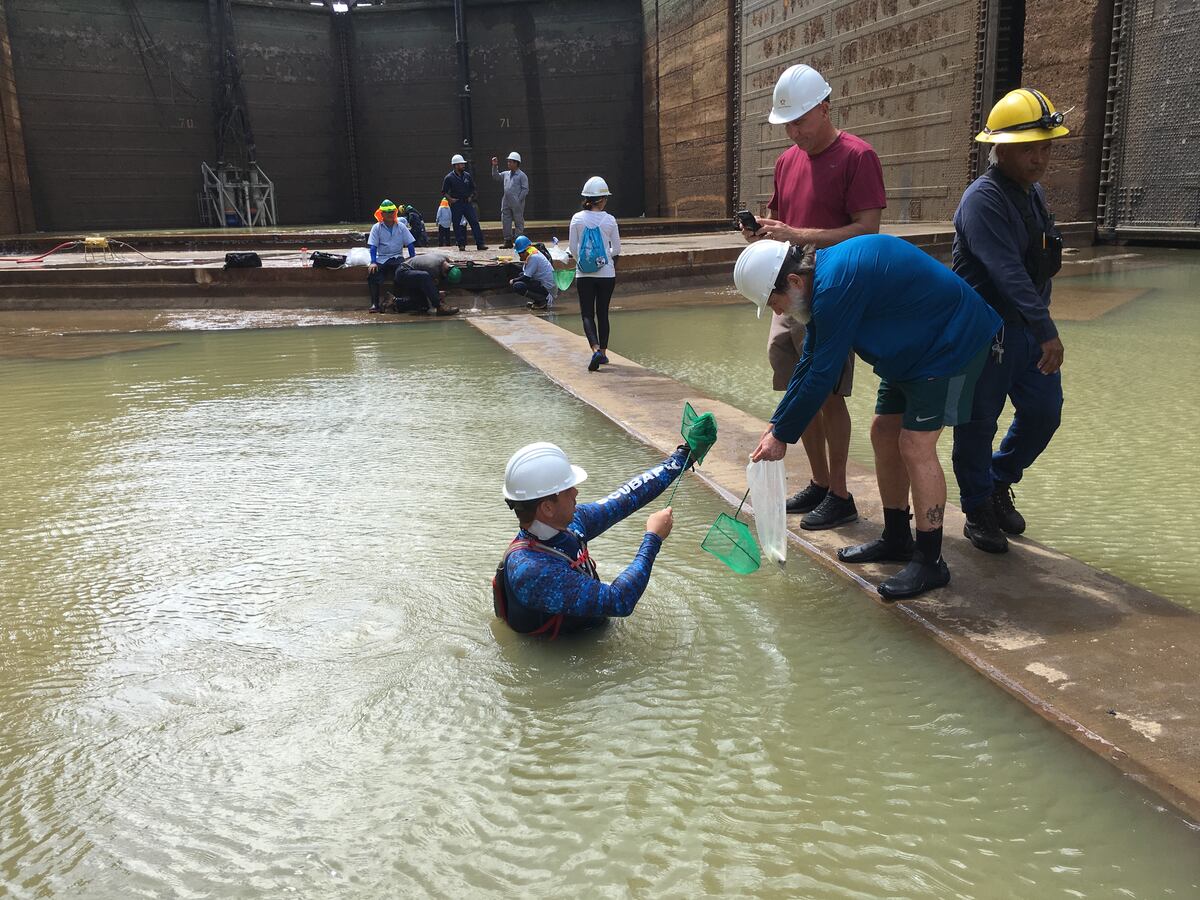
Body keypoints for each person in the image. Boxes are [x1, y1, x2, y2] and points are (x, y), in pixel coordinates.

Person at [737, 235, 1001, 601]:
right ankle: (897, 538)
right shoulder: (821, 282)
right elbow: (810, 359)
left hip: (949, 343)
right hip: (911, 348)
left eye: (774, 302)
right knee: (882, 432)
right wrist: (776, 422)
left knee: (915, 445)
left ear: (794, 281)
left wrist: (782, 436)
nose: (778, 313)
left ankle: (930, 561)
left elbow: (823, 374)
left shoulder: (835, 285)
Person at [741, 64, 886, 531]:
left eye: (800, 120)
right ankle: (821, 483)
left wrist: (798, 233)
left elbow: (868, 231)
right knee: (792, 382)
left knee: (827, 393)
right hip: (789, 292)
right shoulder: (787, 162)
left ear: (825, 106)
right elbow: (781, 224)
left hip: (834, 293)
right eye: (787, 123)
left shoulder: (857, 157)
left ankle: (841, 494)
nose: (794, 131)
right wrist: (760, 237)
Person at [951, 88, 1069, 555]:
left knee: (1044, 412)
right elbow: (1007, 272)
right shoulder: (984, 200)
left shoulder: (1032, 193)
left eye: (1046, 147)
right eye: (1030, 148)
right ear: (1000, 146)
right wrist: (1049, 331)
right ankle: (978, 507)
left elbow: (1039, 265)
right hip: (986, 333)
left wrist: (1039, 327)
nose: (1040, 158)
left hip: (1025, 331)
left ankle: (998, 480)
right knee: (978, 423)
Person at [495, 441, 689, 637]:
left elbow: (627, 498)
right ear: (547, 508)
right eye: (567, 489)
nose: (576, 492)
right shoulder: (531, 571)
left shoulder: (571, 523)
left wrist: (681, 458)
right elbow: (619, 601)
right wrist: (653, 538)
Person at [569, 176, 621, 372]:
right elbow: (616, 249)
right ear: (602, 199)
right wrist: (603, 257)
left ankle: (595, 349)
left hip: (584, 274)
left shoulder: (576, 218)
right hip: (607, 273)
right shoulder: (610, 220)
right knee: (603, 313)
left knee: (587, 315)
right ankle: (605, 354)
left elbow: (573, 248)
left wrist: (584, 262)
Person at [366, 199, 416, 313]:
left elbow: (410, 244)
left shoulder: (401, 227)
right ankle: (375, 304)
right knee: (372, 274)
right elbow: (373, 247)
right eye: (387, 212)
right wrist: (373, 262)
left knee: (402, 274)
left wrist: (413, 259)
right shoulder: (376, 228)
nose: (390, 214)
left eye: (392, 212)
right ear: (382, 214)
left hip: (397, 257)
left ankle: (397, 302)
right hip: (382, 258)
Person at [441, 154, 488, 252]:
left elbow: (473, 188)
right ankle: (461, 244)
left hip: (467, 203)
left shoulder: (467, 176)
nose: (463, 165)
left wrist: (471, 197)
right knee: (457, 224)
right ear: (456, 165)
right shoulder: (449, 178)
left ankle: (480, 243)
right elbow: (444, 191)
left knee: (474, 222)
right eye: (461, 164)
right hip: (457, 204)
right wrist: (450, 199)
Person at [393, 252, 459, 316]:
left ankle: (394, 302)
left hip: (413, 273)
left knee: (424, 305)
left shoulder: (443, 257)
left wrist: (436, 293)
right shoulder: (432, 268)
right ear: (445, 273)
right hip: (403, 272)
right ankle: (440, 306)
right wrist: (437, 295)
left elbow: (429, 288)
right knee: (425, 276)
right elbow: (429, 287)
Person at [491, 151, 529, 249]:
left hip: (517, 202)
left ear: (516, 163)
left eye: (511, 162)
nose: (509, 164)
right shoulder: (506, 174)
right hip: (506, 201)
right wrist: (495, 166)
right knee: (505, 220)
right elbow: (496, 177)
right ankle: (507, 240)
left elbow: (525, 189)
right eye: (508, 162)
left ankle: (518, 241)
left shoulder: (522, 175)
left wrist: (519, 199)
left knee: (518, 221)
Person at [509, 236, 556, 309]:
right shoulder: (534, 252)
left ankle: (542, 300)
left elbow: (526, 278)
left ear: (525, 251)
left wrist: (513, 280)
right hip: (545, 285)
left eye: (520, 253)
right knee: (521, 275)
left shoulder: (533, 257)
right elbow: (525, 272)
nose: (519, 256)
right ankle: (538, 299)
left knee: (518, 286)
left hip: (548, 289)